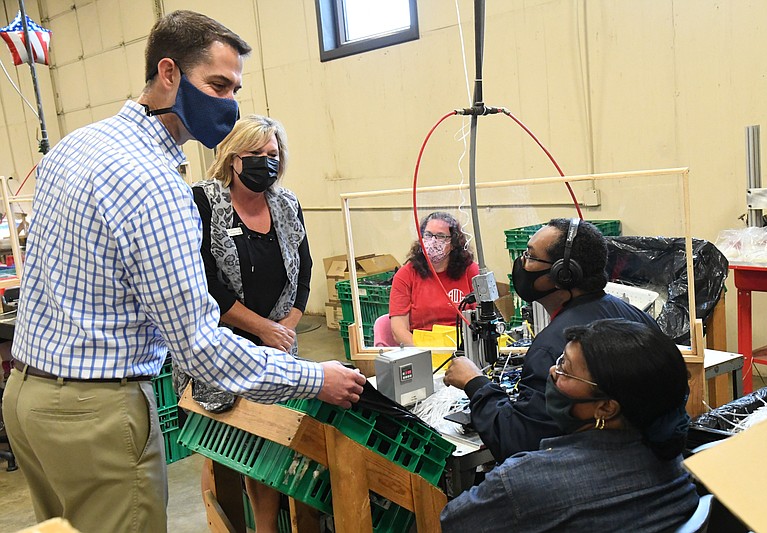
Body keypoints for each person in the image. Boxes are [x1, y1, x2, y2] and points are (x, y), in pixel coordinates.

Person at [1, 11, 365, 533]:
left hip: (27, 400)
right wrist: (316, 378)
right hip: (95, 415)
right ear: (167, 73)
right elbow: (199, 344)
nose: (229, 103)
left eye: (235, 87)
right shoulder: (156, 184)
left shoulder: (77, 145)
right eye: (216, 84)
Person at [440, 319, 699, 532]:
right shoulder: (671, 457)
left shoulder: (525, 482)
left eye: (565, 368)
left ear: (606, 407)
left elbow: (452, 523)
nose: (552, 372)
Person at [445, 218, 657, 462]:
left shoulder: (554, 349)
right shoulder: (634, 316)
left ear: (563, 274)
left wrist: (475, 384)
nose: (521, 264)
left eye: (531, 257)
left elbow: (518, 444)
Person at [190, 114, 309, 532]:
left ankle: (265, 528)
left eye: (272, 154)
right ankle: (223, 522)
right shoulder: (204, 202)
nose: (265, 162)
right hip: (220, 345)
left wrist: (286, 326)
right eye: (255, 154)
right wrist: (261, 328)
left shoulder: (287, 204)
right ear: (233, 157)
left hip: (276, 344)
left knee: (271, 447)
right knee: (224, 447)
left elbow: (303, 274)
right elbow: (203, 282)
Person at [389, 212, 479, 346]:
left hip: (464, 348)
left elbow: (484, 318)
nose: (433, 241)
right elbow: (398, 331)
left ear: (453, 243)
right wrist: (427, 356)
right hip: (421, 351)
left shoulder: (471, 271)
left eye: (441, 236)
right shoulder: (406, 275)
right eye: (428, 235)